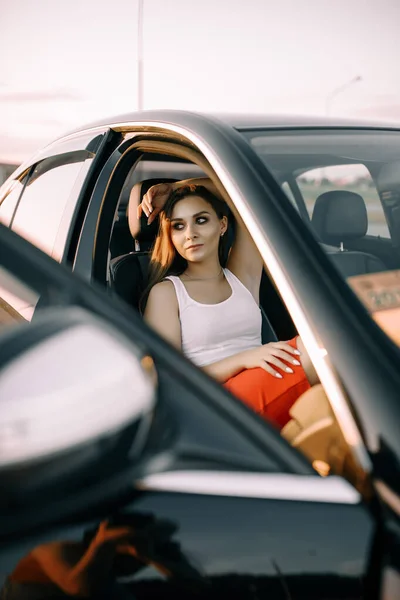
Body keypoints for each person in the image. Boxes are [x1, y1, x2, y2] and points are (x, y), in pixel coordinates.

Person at [135, 178, 318, 430]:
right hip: (213, 405)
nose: (190, 234)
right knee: (322, 350)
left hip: (262, 382)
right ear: (171, 236)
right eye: (178, 226)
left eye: (201, 220)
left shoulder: (242, 276)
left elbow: (252, 191)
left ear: (222, 225)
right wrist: (243, 359)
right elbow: (168, 378)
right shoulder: (166, 292)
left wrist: (178, 187)